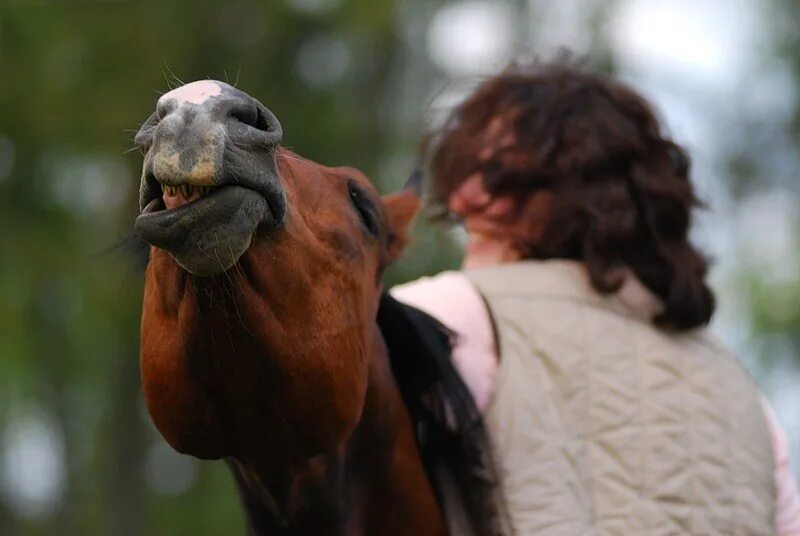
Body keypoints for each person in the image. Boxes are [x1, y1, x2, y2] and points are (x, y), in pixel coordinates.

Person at [392, 61, 800, 535]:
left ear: (583, 193)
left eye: (497, 178)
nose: (461, 201)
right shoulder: (741, 386)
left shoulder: (462, 312)